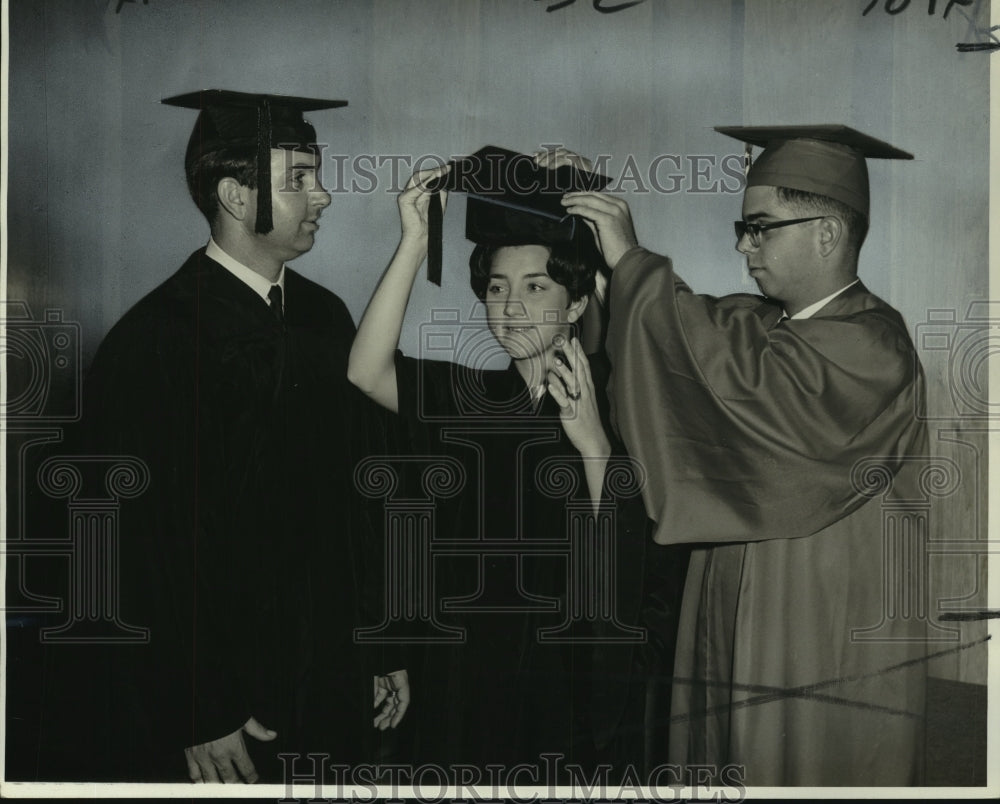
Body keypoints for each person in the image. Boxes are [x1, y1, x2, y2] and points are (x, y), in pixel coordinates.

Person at [36, 89, 408, 783]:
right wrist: (196, 705)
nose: (322, 196)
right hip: (220, 695)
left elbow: (367, 492)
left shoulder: (325, 321)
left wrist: (381, 644)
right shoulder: (157, 341)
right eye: (300, 178)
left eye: (316, 175)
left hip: (330, 673)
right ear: (237, 197)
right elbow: (125, 547)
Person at [561, 125, 929, 786]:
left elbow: (735, 371)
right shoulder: (761, 325)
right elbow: (687, 340)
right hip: (731, 608)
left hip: (814, 625)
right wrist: (605, 244)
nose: (742, 245)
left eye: (761, 227)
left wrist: (633, 259)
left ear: (827, 233)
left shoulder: (874, 348)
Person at [347, 147, 683, 777]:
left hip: (562, 678)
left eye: (536, 287)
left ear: (578, 304)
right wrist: (415, 242)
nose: (511, 306)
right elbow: (366, 372)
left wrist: (594, 448)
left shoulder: (620, 406)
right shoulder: (471, 396)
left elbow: (628, 565)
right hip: (462, 670)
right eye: (497, 288)